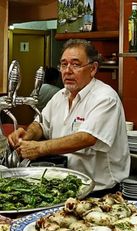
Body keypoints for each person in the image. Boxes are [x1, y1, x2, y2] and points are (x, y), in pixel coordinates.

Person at [8, 39, 130, 194]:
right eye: (64, 64)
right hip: (63, 188)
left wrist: (39, 148)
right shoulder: (60, 96)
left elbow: (87, 138)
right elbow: (41, 123)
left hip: (98, 192)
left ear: (93, 69)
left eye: (76, 64)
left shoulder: (105, 98)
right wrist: (27, 135)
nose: (67, 70)